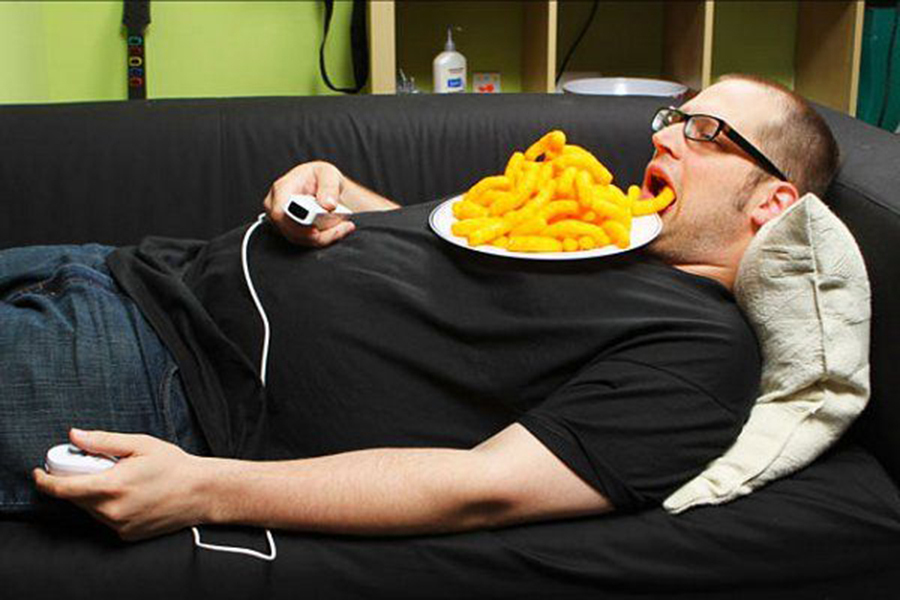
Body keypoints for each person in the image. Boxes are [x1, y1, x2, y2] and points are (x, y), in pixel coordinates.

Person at [2, 75, 838, 542]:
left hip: (158, 375)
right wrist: (333, 189)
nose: (663, 137)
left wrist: (206, 491)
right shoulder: (599, 232)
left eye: (705, 133)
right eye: (674, 117)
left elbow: (484, 487)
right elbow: (443, 255)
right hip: (131, 267)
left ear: (773, 202)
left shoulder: (702, 352)